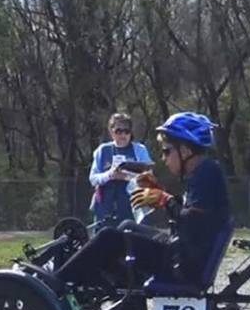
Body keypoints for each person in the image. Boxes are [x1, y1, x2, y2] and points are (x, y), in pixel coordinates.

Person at [59, 112, 231, 293]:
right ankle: (124, 300)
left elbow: (193, 221)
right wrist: (162, 194)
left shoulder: (206, 172)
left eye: (166, 151)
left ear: (186, 150)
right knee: (127, 226)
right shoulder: (203, 170)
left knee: (108, 237)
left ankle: (57, 284)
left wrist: (164, 199)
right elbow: (194, 215)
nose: (163, 158)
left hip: (183, 264)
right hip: (185, 253)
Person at [88, 113, 153, 228]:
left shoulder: (139, 150)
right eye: (118, 131)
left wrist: (126, 177)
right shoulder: (102, 150)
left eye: (126, 131)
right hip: (105, 208)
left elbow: (149, 177)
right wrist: (110, 175)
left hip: (132, 207)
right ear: (111, 131)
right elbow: (93, 178)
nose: (123, 135)